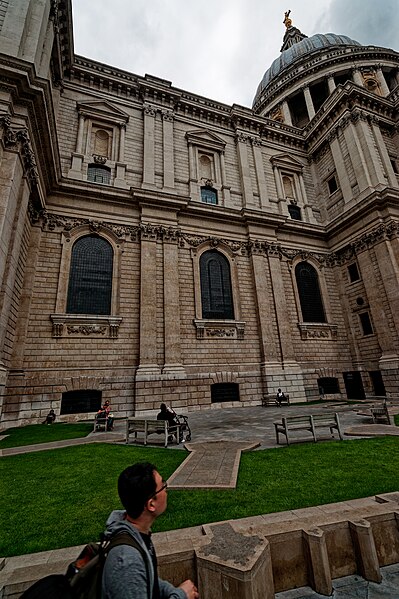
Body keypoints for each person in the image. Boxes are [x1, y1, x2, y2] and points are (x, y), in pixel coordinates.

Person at [102, 462, 199, 599]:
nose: (166, 489)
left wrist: (172, 591)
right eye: (163, 485)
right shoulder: (127, 562)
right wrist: (181, 595)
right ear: (151, 504)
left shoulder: (137, 534)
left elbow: (148, 580)